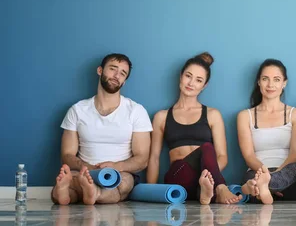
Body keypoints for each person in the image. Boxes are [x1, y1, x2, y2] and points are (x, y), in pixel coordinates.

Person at [51, 53, 152, 205]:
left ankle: (93, 193)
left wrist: (117, 166)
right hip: (84, 172)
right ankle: (65, 194)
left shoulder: (136, 111)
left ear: (124, 82)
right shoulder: (77, 110)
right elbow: (66, 154)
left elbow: (142, 159)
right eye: (113, 69)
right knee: (69, 182)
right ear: (100, 70)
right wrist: (87, 168)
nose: (117, 75)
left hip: (119, 174)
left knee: (125, 182)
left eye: (122, 73)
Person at [147, 52, 240, 204]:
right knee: (207, 147)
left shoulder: (212, 114)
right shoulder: (162, 116)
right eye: (188, 76)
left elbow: (222, 157)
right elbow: (154, 159)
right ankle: (220, 188)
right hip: (177, 178)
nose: (191, 83)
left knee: (208, 149)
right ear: (181, 76)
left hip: (206, 179)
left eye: (198, 80)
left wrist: (205, 177)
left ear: (204, 86)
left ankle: (205, 192)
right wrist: (149, 192)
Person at [237, 59, 296, 204]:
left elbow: (295, 154)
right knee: (252, 178)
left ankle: (252, 189)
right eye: (265, 79)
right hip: (257, 171)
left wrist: (274, 176)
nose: (270, 85)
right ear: (258, 82)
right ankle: (261, 187)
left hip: (287, 171)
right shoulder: (245, 116)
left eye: (276, 79)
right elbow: (249, 156)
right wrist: (265, 173)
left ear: (284, 83)